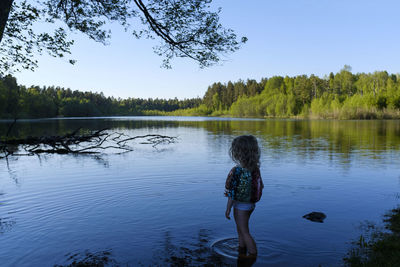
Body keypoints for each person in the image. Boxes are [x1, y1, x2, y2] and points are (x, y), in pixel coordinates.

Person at [224, 135, 263, 259]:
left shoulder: (237, 170)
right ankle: (241, 250)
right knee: (241, 230)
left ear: (238, 153)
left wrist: (228, 208)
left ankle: (252, 256)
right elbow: (261, 185)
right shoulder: (255, 168)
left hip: (240, 205)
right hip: (250, 205)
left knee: (244, 231)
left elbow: (231, 192)